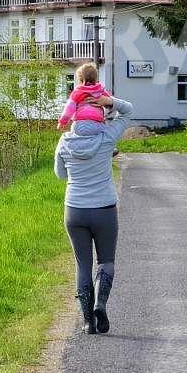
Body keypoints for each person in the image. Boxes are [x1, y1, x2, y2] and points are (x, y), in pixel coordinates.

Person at [53, 87, 134, 335]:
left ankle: (87, 321)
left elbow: (60, 174)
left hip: (75, 210)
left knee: (82, 264)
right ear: (99, 115)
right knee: (106, 261)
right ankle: (100, 304)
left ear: (76, 116)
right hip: (104, 209)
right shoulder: (107, 138)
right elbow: (128, 111)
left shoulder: (64, 141)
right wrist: (107, 100)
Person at [57, 61, 109, 129]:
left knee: (74, 133)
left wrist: (62, 122)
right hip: (97, 125)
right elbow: (110, 102)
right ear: (95, 78)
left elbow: (69, 107)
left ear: (80, 80)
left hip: (80, 125)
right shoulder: (100, 91)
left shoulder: (77, 92)